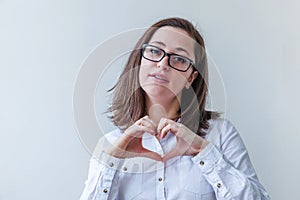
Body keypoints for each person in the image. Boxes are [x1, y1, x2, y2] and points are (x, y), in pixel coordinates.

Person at [80, 17, 270, 200]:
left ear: (191, 78)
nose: (162, 64)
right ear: (139, 62)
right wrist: (112, 159)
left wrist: (204, 152)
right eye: (155, 51)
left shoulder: (220, 135)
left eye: (179, 58)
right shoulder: (111, 144)